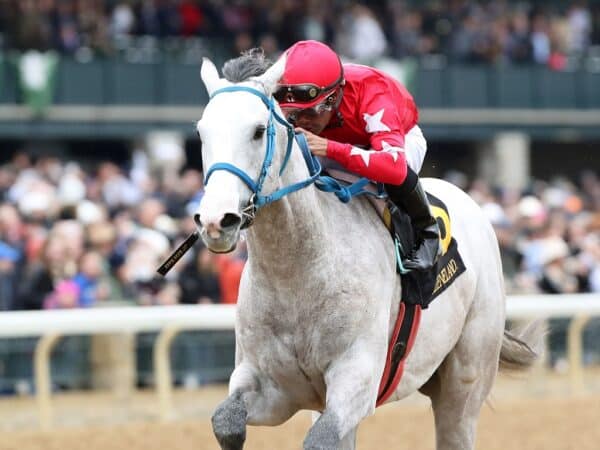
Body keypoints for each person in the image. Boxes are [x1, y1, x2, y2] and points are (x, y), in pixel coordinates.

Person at [272, 40, 441, 271]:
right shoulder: (287, 95)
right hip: (336, 143)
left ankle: (427, 232)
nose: (302, 121)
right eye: (294, 113)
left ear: (333, 97)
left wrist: (329, 147)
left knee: (390, 175)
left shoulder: (374, 92)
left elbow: (395, 167)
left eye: (310, 111)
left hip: (396, 142)